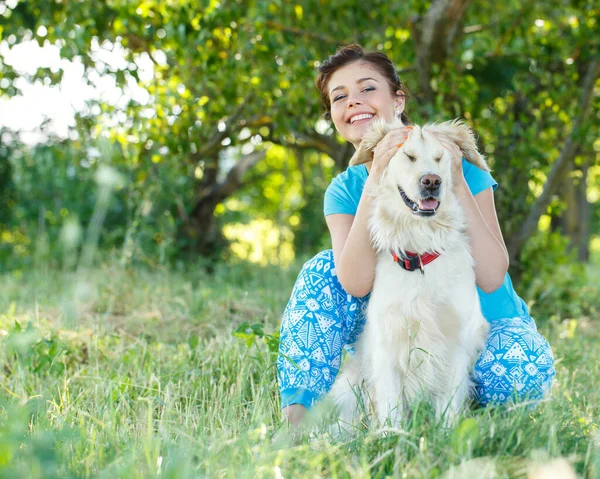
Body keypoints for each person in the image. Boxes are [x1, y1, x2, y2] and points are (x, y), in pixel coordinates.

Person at [276, 44, 555, 427]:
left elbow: (491, 276)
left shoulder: (449, 162)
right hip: (400, 321)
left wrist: (455, 181)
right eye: (339, 97)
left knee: (516, 379)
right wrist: (376, 177)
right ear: (335, 118)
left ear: (398, 99)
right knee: (323, 269)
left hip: (486, 323)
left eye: (367, 88)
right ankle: (296, 425)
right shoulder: (346, 188)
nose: (353, 101)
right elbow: (355, 283)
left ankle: (475, 425)